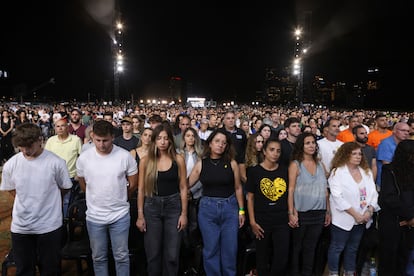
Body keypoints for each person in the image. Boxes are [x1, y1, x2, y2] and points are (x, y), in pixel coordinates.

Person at [0, 123, 73, 275]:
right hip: (21, 227)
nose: (25, 150)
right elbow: (12, 189)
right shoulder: (11, 165)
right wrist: (28, 197)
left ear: (40, 140)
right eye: (21, 146)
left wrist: (47, 200)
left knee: (50, 269)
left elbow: (65, 187)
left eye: (29, 145)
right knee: (24, 270)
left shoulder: (56, 163)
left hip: (49, 226)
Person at [76, 120, 138, 276]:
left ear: (112, 137)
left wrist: (120, 198)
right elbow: (83, 184)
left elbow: (133, 184)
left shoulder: (124, 156)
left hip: (120, 215)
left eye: (105, 140)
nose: (101, 144)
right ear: (92, 136)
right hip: (94, 216)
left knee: (122, 256)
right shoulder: (84, 158)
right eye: (98, 140)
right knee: (98, 257)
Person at [188, 128, 245, 275]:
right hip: (208, 209)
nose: (220, 145)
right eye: (217, 141)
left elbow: (238, 188)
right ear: (210, 144)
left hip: (230, 207)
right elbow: (186, 184)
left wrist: (241, 210)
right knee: (211, 248)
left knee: (230, 249)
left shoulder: (232, 163)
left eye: (224, 143)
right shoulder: (202, 163)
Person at [136, 124, 188, 275]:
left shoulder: (178, 159)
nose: (163, 142)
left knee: (172, 254)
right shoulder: (146, 161)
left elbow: (183, 187)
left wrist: (184, 214)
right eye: (159, 138)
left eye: (166, 138)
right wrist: (140, 215)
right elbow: (141, 189)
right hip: (151, 206)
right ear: (154, 141)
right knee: (153, 254)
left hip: (173, 206)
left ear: (171, 141)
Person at [327, 142, 379, 276]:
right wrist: (355, 214)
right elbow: (338, 197)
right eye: (354, 153)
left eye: (360, 154)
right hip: (343, 219)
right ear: (345, 154)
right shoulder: (337, 172)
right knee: (337, 248)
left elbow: (373, 193)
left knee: (353, 249)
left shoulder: (366, 172)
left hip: (363, 218)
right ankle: (333, 273)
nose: (358, 156)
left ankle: (349, 273)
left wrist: (369, 210)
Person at [288, 132, 331, 276]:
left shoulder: (320, 164)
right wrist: (291, 212)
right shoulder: (295, 165)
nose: (311, 145)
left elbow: (325, 190)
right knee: (297, 247)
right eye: (307, 143)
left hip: (319, 213)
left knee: (311, 247)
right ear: (301, 145)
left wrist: (328, 211)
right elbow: (291, 189)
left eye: (313, 142)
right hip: (301, 212)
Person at [246, 138, 290, 275]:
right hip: (262, 220)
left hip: (282, 220)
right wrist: (252, 222)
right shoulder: (254, 171)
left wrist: (290, 213)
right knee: (262, 257)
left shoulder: (284, 171)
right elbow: (250, 198)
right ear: (264, 151)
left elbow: (289, 194)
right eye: (272, 150)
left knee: (281, 256)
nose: (275, 154)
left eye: (278, 151)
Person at [378, 140, 414, 275]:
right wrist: (410, 216)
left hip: (409, 225)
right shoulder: (389, 171)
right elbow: (389, 198)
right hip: (393, 223)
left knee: (403, 260)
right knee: (389, 261)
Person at [44, 117, 83, 217]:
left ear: (67, 127)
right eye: (58, 126)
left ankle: (65, 222)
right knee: (52, 201)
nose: (60, 128)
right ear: (55, 128)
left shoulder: (76, 140)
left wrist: (79, 173)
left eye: (62, 126)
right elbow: (45, 159)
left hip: (70, 176)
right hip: (53, 177)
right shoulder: (51, 141)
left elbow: (82, 158)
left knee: (66, 202)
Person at [376, 121, 410, 188]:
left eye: (408, 131)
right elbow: (387, 165)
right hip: (386, 183)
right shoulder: (385, 144)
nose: (406, 133)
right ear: (394, 131)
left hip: (400, 183)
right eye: (403, 130)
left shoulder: (405, 144)